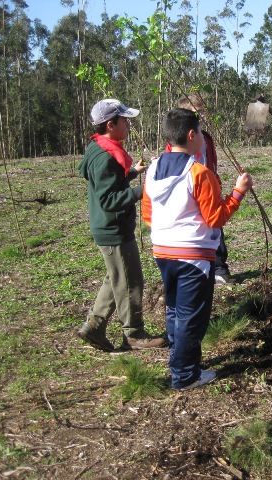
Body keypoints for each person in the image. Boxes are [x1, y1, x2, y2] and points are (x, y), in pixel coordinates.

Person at [142, 108, 253, 390]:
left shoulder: (153, 169)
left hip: (163, 252)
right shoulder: (199, 173)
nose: (205, 138)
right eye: (202, 133)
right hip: (194, 256)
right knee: (192, 317)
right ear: (192, 136)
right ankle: (185, 375)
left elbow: (147, 213)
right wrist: (239, 191)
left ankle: (179, 360)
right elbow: (216, 217)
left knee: (175, 309)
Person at [77, 98, 167, 352]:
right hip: (113, 228)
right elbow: (108, 199)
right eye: (124, 120)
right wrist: (143, 190)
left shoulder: (101, 147)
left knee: (116, 277)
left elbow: (109, 183)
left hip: (110, 227)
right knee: (130, 281)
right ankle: (134, 334)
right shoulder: (104, 157)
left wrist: (131, 173)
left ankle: (94, 326)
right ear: (110, 124)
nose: (128, 124)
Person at [166, 93, 233, 284]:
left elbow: (211, 162)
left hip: (208, 189)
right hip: (188, 192)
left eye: (202, 112)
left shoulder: (207, 139)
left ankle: (219, 267)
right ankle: (198, 267)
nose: (201, 116)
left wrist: (215, 182)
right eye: (197, 113)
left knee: (215, 227)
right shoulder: (175, 144)